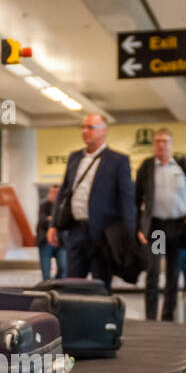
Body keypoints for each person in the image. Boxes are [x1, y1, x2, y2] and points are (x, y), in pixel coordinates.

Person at [48, 113, 134, 291]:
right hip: (76, 231)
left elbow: (127, 199)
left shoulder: (118, 161)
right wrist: (54, 225)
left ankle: (102, 319)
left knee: (101, 285)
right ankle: (74, 319)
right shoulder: (74, 158)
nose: (85, 131)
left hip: (103, 234)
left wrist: (129, 233)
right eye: (83, 127)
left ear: (103, 131)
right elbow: (64, 193)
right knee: (72, 285)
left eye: (90, 127)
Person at [135, 127, 186, 320]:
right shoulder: (147, 167)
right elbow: (137, 198)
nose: (160, 145)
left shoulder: (183, 166)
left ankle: (168, 314)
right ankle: (150, 315)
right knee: (154, 270)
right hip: (158, 229)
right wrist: (139, 226)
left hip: (177, 227)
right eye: (157, 141)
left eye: (164, 141)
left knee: (173, 270)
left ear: (171, 144)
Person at [36, 184, 66, 280]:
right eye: (52, 192)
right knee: (46, 270)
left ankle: (58, 286)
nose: (54, 195)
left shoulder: (63, 207)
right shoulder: (44, 206)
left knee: (63, 267)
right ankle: (46, 290)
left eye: (57, 193)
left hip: (61, 241)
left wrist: (51, 219)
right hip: (45, 241)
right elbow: (42, 221)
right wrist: (55, 221)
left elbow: (64, 222)